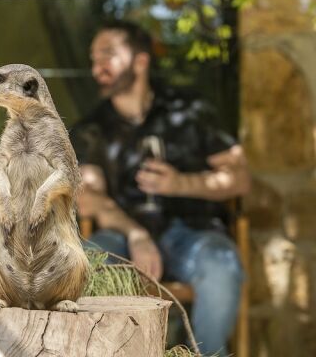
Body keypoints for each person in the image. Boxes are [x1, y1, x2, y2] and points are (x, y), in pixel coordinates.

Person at [70, 20, 251, 356]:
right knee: (89, 259)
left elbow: (239, 177)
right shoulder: (92, 128)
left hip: (191, 232)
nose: (97, 67)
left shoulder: (189, 111)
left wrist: (180, 183)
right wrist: (136, 233)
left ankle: (205, 355)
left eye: (107, 55)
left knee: (222, 262)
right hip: (124, 236)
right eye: (94, 58)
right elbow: (87, 197)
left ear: (141, 61)